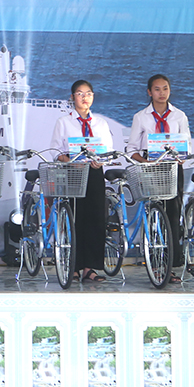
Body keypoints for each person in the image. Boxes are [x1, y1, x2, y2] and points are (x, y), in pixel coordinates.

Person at [127, 74, 190, 284]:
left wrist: (182, 156)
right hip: (150, 169)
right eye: (157, 89)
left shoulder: (179, 116)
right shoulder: (141, 117)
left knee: (173, 215)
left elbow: (187, 144)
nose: (161, 93)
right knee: (155, 216)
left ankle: (171, 265)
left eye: (165, 89)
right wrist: (145, 162)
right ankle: (155, 264)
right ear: (149, 92)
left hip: (172, 169)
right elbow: (131, 148)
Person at [50, 80, 113, 283]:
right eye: (80, 93)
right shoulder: (63, 122)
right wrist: (69, 161)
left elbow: (108, 151)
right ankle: (73, 266)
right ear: (72, 97)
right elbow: (55, 151)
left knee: (96, 219)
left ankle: (90, 268)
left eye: (88, 94)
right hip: (73, 173)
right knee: (75, 219)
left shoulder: (101, 123)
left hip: (94, 172)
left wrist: (101, 161)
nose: (85, 98)